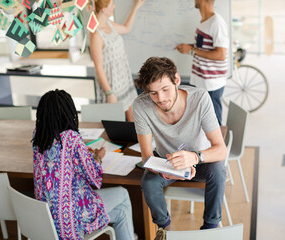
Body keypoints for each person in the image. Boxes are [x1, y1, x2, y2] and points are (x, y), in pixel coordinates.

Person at [132, 57, 227, 235]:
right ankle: (165, 231)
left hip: (200, 161)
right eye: (153, 93)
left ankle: (210, 229)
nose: (160, 99)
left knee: (219, 171)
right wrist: (164, 170)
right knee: (148, 183)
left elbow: (221, 149)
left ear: (176, 80)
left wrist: (195, 157)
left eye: (165, 89)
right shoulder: (140, 106)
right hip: (165, 164)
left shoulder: (200, 98)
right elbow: (146, 157)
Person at [32, 89, 134, 240]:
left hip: (45, 217)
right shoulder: (71, 138)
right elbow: (93, 177)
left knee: (122, 212)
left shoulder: (38, 135)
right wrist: (97, 157)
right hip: (69, 219)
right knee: (123, 193)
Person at [175, 0, 229, 125]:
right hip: (202, 82)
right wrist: (188, 48)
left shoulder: (216, 23)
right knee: (204, 123)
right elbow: (202, 48)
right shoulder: (204, 22)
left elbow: (221, 54)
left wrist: (192, 50)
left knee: (214, 125)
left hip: (212, 85)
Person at [89, 0, 145, 122]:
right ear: (104, 9)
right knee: (116, 123)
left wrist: (135, 7)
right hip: (112, 84)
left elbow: (126, 28)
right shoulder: (96, 35)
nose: (114, 6)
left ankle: (135, 141)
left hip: (124, 79)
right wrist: (109, 93)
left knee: (133, 120)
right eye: (111, 5)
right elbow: (98, 67)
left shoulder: (109, 24)